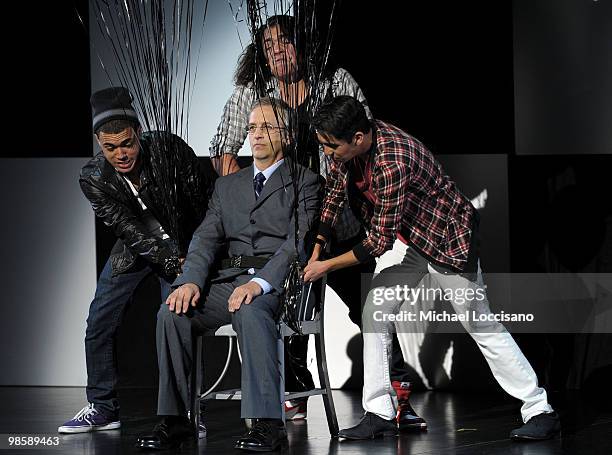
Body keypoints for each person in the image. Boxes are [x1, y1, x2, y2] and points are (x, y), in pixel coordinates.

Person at [303, 95, 561, 441]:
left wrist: (326, 266)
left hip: (446, 241)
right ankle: (379, 411)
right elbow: (334, 193)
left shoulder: (393, 159)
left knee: (480, 324)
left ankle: (539, 408)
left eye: (331, 146)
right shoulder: (346, 149)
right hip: (412, 241)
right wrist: (318, 247)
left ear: (359, 139)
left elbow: (378, 241)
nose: (327, 153)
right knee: (375, 310)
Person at [210, 14, 424, 429]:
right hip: (280, 222)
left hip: (336, 215)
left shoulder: (334, 82)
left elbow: (364, 135)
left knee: (368, 304)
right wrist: (243, 199)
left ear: (302, 45)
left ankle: (396, 394)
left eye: (284, 42)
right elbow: (224, 150)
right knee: (284, 305)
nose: (276, 50)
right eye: (268, 44)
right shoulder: (251, 93)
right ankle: (295, 391)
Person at [136, 97, 320, 451]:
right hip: (229, 280)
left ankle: (268, 424)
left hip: (277, 282)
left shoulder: (305, 182)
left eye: (267, 127)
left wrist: (260, 282)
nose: (258, 135)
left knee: (251, 310)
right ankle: (176, 421)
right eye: (253, 128)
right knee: (172, 312)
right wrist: (189, 280)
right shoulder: (227, 186)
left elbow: (297, 242)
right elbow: (205, 238)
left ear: (288, 134)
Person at [58, 87, 211, 434]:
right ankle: (102, 406)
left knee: (175, 320)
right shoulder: (93, 176)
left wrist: (197, 254)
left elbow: (204, 201)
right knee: (99, 320)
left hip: (186, 240)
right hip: (138, 247)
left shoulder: (168, 149)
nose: (121, 154)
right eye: (110, 147)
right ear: (99, 142)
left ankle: (185, 411)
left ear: (139, 133)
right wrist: (171, 261)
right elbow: (127, 228)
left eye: (126, 144)